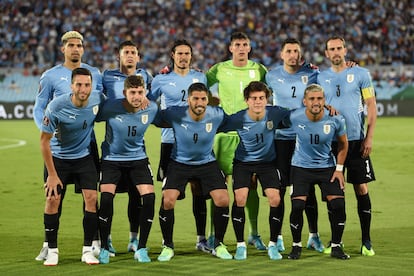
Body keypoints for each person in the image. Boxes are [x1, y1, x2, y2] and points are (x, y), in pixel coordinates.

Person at [33, 30, 103, 262]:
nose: (75, 49)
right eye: (71, 45)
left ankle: (92, 243)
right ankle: (49, 244)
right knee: (54, 196)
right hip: (58, 145)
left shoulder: (94, 73)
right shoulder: (51, 76)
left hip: (87, 145)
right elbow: (39, 107)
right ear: (63, 48)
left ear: (83, 49)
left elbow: (104, 103)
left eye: (79, 45)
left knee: (91, 196)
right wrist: (48, 131)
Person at [147, 39, 211, 253]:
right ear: (172, 55)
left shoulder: (200, 77)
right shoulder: (161, 80)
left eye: (187, 53)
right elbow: (147, 102)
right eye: (180, 53)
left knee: (199, 191)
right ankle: (167, 243)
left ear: (191, 56)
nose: (184, 57)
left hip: (197, 142)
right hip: (170, 143)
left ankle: (202, 239)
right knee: (169, 195)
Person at [206, 31, 268, 250]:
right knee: (219, 187)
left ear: (249, 47)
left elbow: (272, 90)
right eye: (237, 45)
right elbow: (199, 84)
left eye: (245, 44)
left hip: (250, 136)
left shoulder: (259, 69)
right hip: (224, 136)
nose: (241, 48)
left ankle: (253, 233)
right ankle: (214, 236)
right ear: (230, 48)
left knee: (250, 185)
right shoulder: (219, 69)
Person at [157, 82, 232, 261]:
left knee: (223, 199)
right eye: (195, 98)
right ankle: (167, 245)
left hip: (207, 162)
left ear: (208, 100)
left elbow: (235, 121)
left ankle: (219, 244)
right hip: (179, 162)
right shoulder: (175, 113)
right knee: (168, 200)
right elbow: (153, 116)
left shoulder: (217, 114)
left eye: (203, 99)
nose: (200, 102)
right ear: (188, 99)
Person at [318, 36, 377, 256]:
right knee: (334, 192)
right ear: (326, 53)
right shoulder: (319, 76)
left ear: (345, 50)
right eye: (331, 49)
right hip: (330, 142)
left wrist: (369, 137)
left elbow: (371, 105)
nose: (335, 52)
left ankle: (366, 241)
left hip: (356, 141)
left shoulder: (361, 74)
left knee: (361, 188)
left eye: (339, 48)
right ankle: (336, 242)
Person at [265, 38, 323, 253]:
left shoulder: (312, 74)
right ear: (281, 54)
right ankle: (278, 236)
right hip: (280, 140)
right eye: (288, 50)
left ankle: (314, 236)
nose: (292, 54)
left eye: (296, 51)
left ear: (300, 54)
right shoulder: (270, 75)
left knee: (307, 189)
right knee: (279, 189)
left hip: (304, 138)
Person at [223, 81, 290, 260]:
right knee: (240, 198)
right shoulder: (238, 118)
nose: (258, 102)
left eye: (261, 98)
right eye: (254, 98)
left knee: (275, 198)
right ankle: (240, 245)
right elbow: (217, 124)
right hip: (243, 163)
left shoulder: (275, 113)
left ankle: (274, 244)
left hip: (267, 163)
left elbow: (299, 115)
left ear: (266, 99)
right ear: (247, 100)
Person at [96, 75, 159, 264]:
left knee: (149, 198)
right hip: (111, 160)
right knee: (106, 199)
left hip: (138, 159)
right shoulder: (110, 107)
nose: (137, 96)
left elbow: (169, 120)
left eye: (140, 92)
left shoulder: (152, 108)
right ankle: (105, 246)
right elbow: (90, 116)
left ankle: (141, 247)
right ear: (125, 93)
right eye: (132, 92)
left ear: (145, 92)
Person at [287, 84, 350, 260]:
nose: (316, 102)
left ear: (325, 100)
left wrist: (339, 169)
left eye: (320, 98)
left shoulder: (336, 119)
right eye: (312, 99)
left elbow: (344, 144)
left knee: (338, 204)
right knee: (298, 205)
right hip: (300, 167)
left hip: (327, 167)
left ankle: (336, 245)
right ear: (304, 101)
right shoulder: (294, 117)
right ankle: (296, 245)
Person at [102, 40, 153, 255]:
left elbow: (157, 99)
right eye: (126, 52)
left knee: (138, 196)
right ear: (119, 56)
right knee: (106, 198)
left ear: (138, 57)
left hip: (136, 148)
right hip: (113, 147)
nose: (130, 56)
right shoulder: (106, 76)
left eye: (133, 52)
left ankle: (136, 241)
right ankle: (106, 242)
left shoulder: (146, 77)